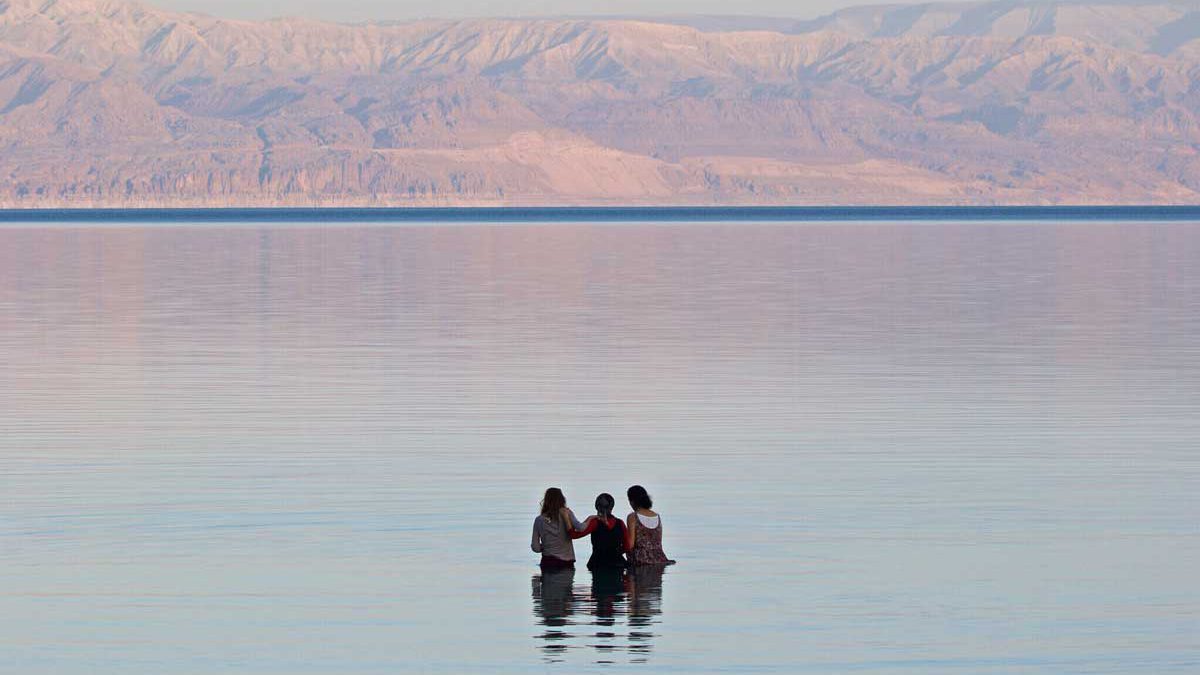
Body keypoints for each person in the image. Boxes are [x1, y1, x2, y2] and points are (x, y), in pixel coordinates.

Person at [571, 493, 629, 570]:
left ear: (596, 507)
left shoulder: (594, 522)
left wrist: (568, 518)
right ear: (612, 507)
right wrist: (614, 553)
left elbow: (574, 535)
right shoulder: (620, 523)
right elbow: (627, 546)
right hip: (618, 563)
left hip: (598, 563)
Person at [531, 487, 584, 570]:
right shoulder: (567, 514)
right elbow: (580, 528)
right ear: (562, 500)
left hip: (547, 562)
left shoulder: (539, 520)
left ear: (546, 501)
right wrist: (591, 518)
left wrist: (547, 546)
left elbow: (535, 548)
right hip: (566, 563)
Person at [625, 485, 675, 565]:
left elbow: (630, 545)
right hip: (660, 559)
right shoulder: (656, 516)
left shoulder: (633, 517)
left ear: (632, 501)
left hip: (640, 561)